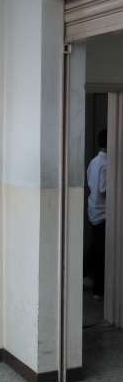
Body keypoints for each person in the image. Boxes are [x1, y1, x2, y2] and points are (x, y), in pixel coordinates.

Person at [87, 129, 107, 301]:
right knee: (102, 253)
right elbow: (103, 189)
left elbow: (90, 183)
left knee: (95, 247)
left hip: (93, 209)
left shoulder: (93, 161)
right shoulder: (107, 164)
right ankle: (98, 290)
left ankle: (84, 274)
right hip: (103, 213)